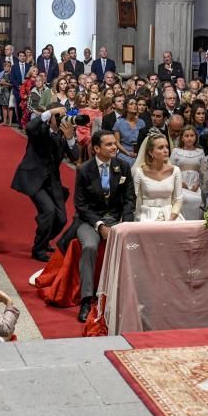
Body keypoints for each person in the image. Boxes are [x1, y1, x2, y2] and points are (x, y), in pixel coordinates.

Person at [72, 130, 135, 322]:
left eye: (115, 143)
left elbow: (130, 199)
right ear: (97, 148)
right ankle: (86, 299)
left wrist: (126, 223)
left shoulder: (123, 166)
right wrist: (99, 226)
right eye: (109, 145)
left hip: (116, 219)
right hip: (90, 220)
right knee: (90, 247)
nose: (114, 147)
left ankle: (124, 295)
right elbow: (80, 205)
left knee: (130, 246)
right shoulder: (84, 170)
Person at [12, 106, 80, 262]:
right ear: (51, 117)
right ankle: (38, 248)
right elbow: (30, 127)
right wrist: (50, 111)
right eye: (59, 116)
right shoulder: (40, 131)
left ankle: (45, 236)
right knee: (48, 211)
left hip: (52, 181)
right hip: (34, 177)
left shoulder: (64, 135)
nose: (61, 119)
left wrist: (70, 138)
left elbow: (75, 156)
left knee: (61, 219)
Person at [132, 131, 184, 221]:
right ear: (150, 152)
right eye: (161, 148)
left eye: (167, 147)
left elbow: (178, 200)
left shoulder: (175, 171)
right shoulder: (139, 172)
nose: (166, 151)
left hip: (171, 216)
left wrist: (170, 220)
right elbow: (135, 199)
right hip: (146, 216)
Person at [170, 125, 205, 220]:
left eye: (192, 135)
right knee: (183, 199)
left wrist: (198, 183)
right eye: (186, 136)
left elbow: (203, 171)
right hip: (180, 184)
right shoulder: (176, 151)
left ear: (195, 137)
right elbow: (170, 170)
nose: (189, 138)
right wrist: (179, 183)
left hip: (196, 185)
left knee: (200, 199)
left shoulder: (200, 152)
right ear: (182, 137)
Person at [113, 96, 145, 166]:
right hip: (124, 152)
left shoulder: (142, 122)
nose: (134, 106)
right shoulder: (119, 123)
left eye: (135, 104)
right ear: (126, 107)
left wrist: (139, 153)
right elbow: (117, 142)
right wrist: (127, 153)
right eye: (131, 104)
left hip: (139, 152)